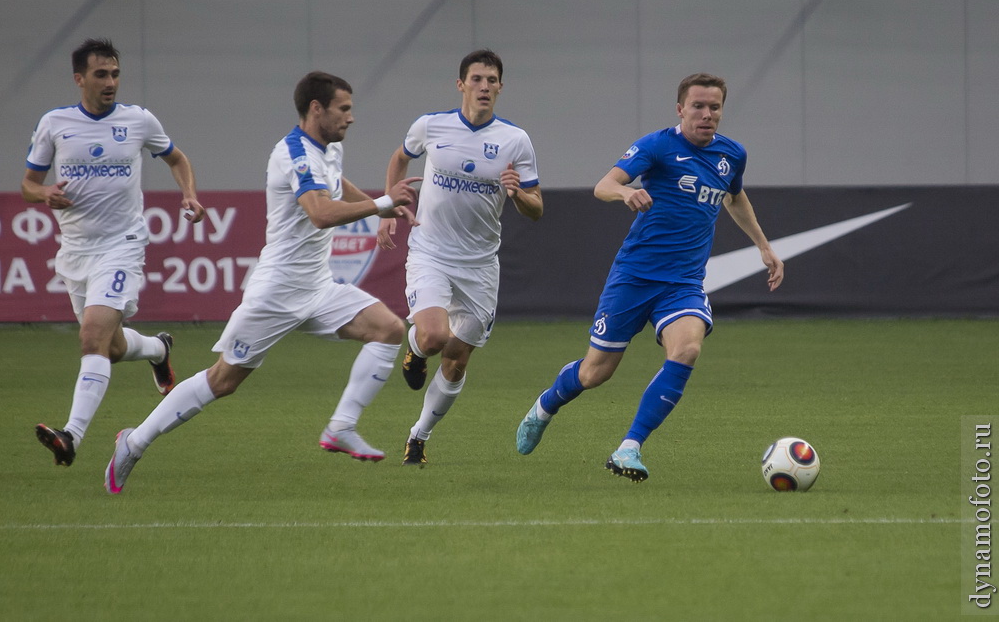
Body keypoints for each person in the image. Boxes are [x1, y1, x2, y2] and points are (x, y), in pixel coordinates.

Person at [103, 71, 419, 494]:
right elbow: (321, 213)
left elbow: (335, 183)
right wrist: (381, 202)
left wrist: (377, 208)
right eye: (344, 109)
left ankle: (341, 426)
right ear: (316, 109)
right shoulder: (293, 153)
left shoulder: (327, 148)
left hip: (317, 287)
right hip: (277, 292)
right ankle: (134, 441)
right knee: (223, 381)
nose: (351, 118)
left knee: (390, 329)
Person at [516, 72, 784, 483]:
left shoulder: (733, 155)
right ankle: (546, 406)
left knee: (688, 349)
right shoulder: (657, 146)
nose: (707, 114)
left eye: (714, 107)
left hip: (683, 284)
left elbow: (735, 195)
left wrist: (763, 245)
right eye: (698, 106)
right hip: (634, 277)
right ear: (680, 109)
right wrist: (626, 193)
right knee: (595, 373)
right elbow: (604, 185)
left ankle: (629, 448)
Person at [23, 37, 206, 468]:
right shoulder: (55, 124)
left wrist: (190, 195)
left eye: (116, 74)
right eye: (101, 74)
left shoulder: (138, 121)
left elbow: (176, 158)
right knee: (114, 347)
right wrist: (43, 192)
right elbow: (28, 183)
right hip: (75, 252)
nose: (110, 82)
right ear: (79, 79)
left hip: (121, 246)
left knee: (92, 339)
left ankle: (71, 435)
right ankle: (159, 350)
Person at [377, 49, 543, 467]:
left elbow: (536, 207)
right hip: (431, 252)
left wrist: (518, 192)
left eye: (491, 80)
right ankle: (415, 349)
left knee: (457, 358)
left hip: (480, 265)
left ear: (501, 87)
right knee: (434, 337)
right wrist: (386, 207)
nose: (484, 86)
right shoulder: (432, 125)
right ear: (461, 84)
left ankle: (418, 436)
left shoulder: (515, 140)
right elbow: (401, 157)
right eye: (476, 79)